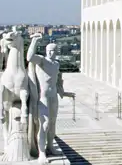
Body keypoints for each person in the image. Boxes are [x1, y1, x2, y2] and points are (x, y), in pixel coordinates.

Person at [27, 33, 75, 164]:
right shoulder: (42, 61)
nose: (51, 52)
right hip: (43, 98)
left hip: (53, 97)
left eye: (54, 50)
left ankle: (50, 146)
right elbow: (29, 57)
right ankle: (42, 153)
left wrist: (65, 93)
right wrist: (34, 41)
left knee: (52, 123)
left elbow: (57, 82)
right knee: (45, 124)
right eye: (49, 50)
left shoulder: (56, 64)